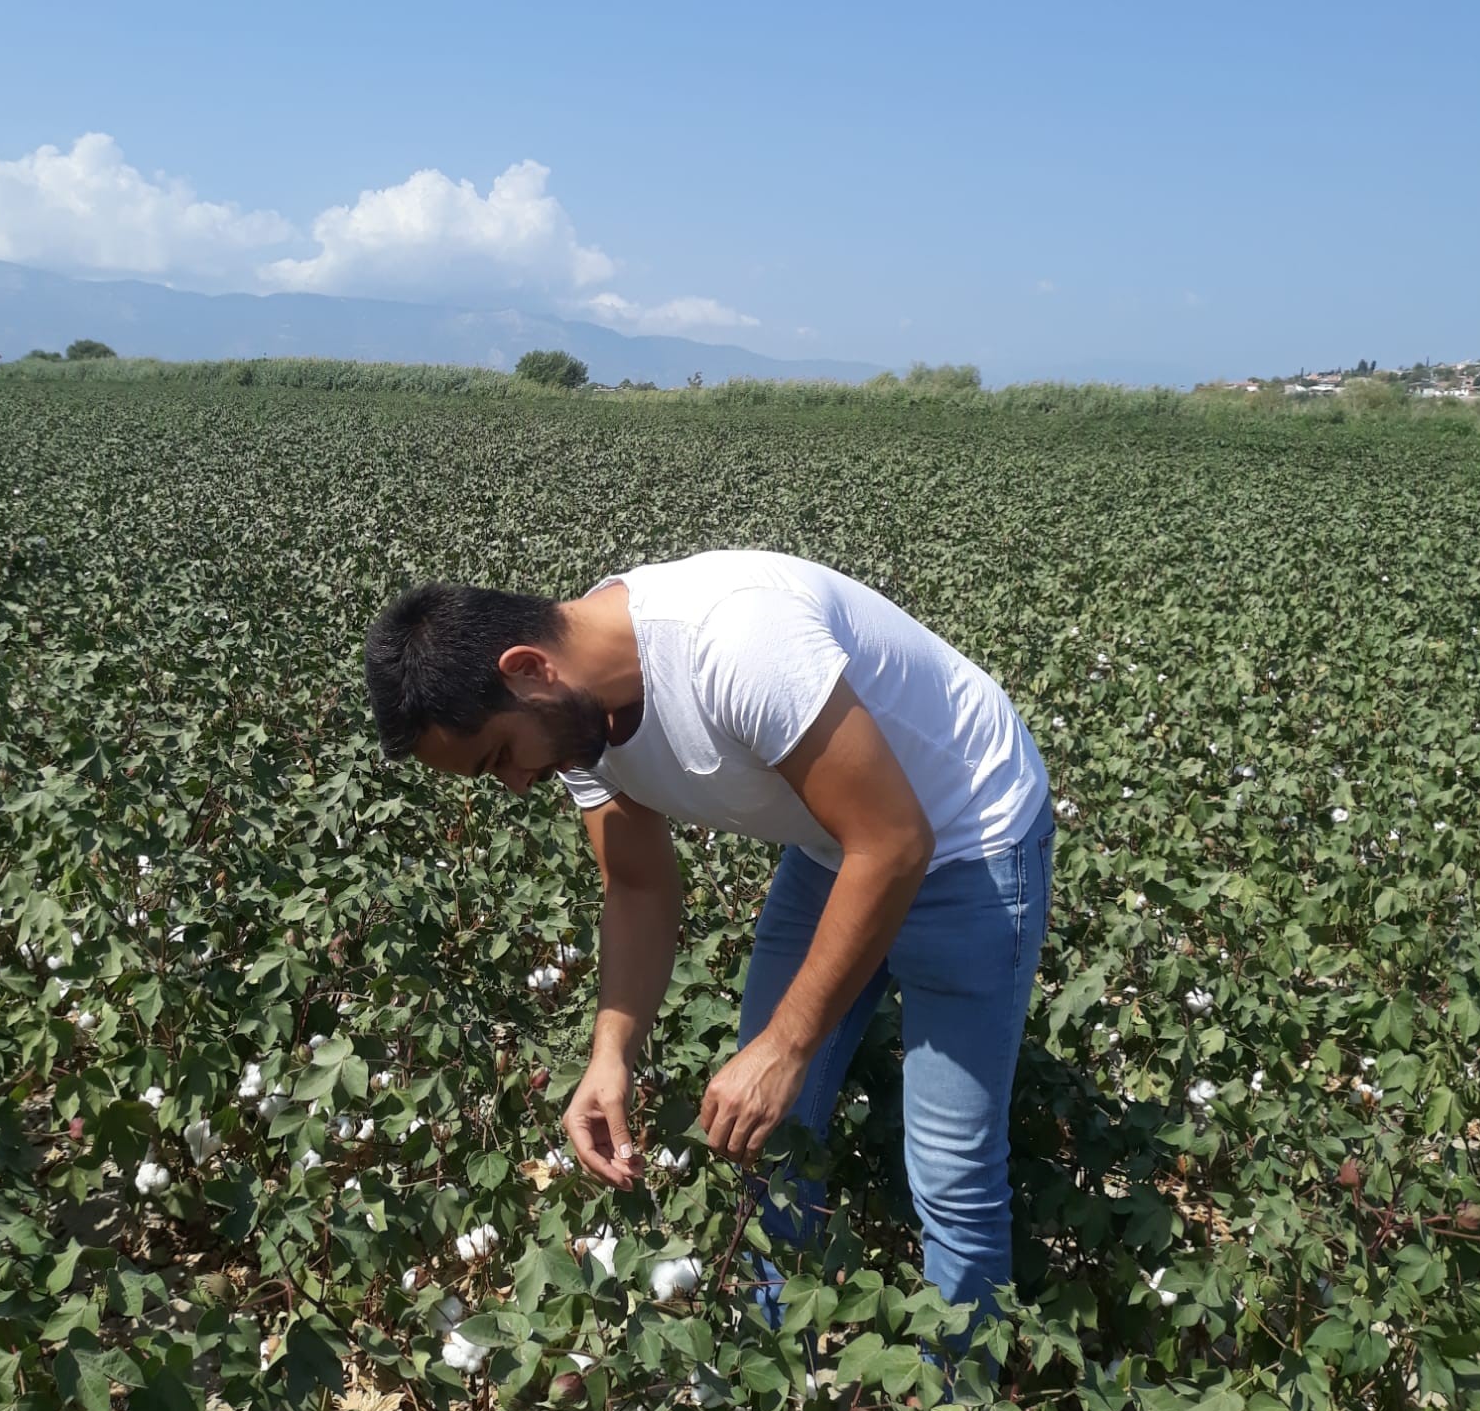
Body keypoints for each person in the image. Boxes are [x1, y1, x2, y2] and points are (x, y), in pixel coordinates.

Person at [363, 548, 1054, 1348]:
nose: (518, 786)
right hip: (839, 840)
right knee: (763, 1133)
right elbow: (638, 887)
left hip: (970, 838)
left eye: (499, 760)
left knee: (953, 1176)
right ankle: (771, 1377)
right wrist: (610, 1052)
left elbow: (895, 843)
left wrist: (789, 1045)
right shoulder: (578, 718)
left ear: (527, 669)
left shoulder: (734, 640)